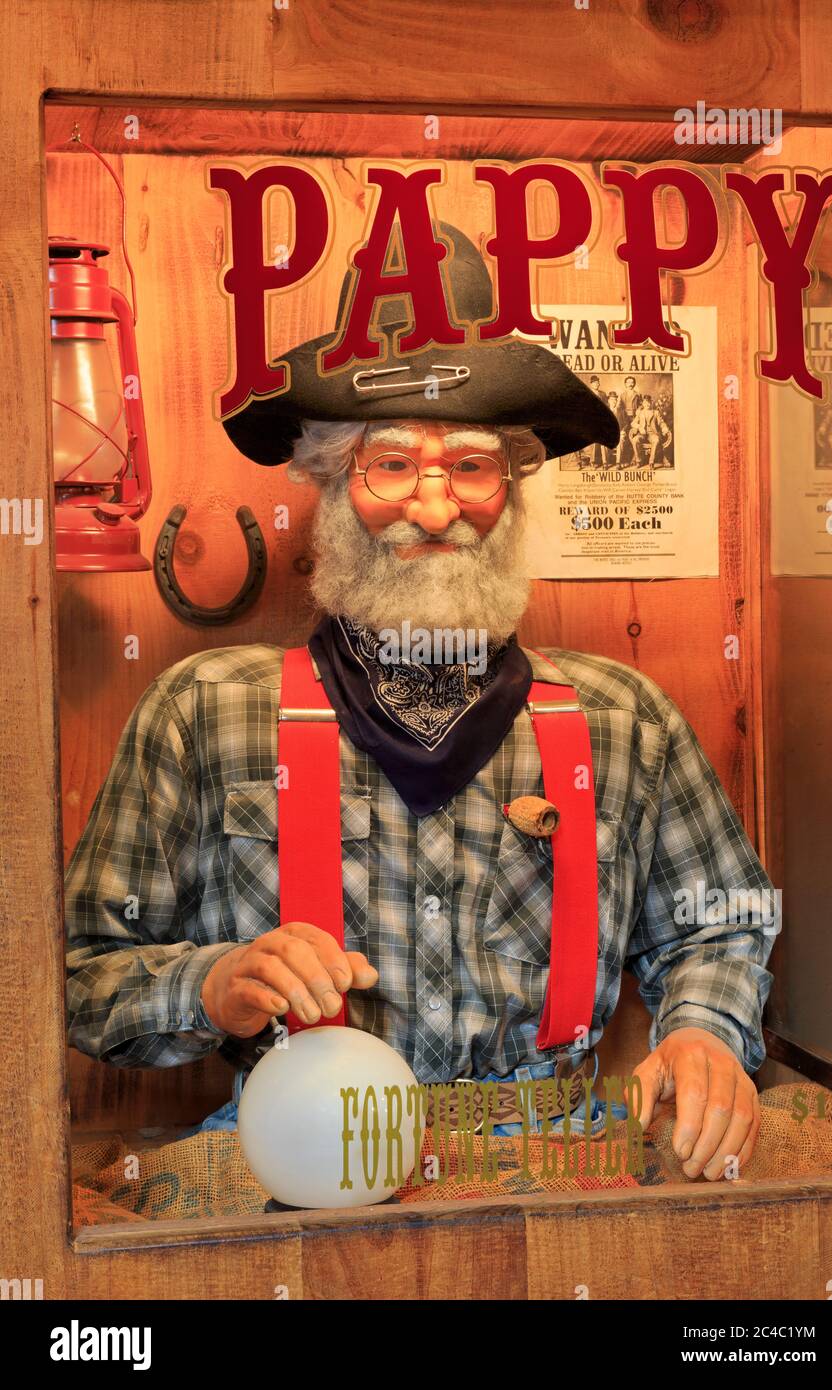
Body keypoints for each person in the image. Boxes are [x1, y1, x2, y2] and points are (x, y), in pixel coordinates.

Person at [65, 224, 775, 1179]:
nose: (434, 508)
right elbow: (81, 977)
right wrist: (214, 983)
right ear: (327, 481)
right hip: (290, 1159)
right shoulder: (202, 713)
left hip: (561, 1168)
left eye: (471, 467)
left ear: (512, 489)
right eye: (391, 463)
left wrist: (706, 1030)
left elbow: (720, 917)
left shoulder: (626, 720)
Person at [630, 395, 674, 469]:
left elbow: (661, 423)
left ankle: (651, 462)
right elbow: (633, 423)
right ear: (642, 404)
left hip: (652, 434)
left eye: (648, 403)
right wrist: (640, 427)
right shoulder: (640, 413)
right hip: (642, 434)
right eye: (645, 403)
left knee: (656, 440)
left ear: (651, 403)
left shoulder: (655, 412)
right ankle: (638, 461)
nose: (647, 404)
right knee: (634, 440)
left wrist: (664, 428)